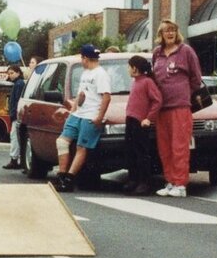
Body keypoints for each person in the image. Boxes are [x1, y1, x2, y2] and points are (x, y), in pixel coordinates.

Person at [150, 19, 202, 197]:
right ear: (161, 34)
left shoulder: (186, 51)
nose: (170, 33)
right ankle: (170, 181)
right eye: (166, 31)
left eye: (173, 30)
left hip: (180, 105)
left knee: (179, 146)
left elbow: (196, 78)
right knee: (164, 147)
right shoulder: (157, 53)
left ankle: (180, 184)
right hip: (161, 107)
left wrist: (184, 92)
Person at [51, 44, 111, 192]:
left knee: (81, 147)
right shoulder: (85, 73)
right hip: (78, 114)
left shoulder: (100, 74)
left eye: (81, 57)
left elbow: (106, 97)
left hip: (91, 115)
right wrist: (73, 110)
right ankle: (61, 176)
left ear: (85, 58)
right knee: (62, 142)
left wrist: (99, 117)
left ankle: (70, 179)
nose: (81, 60)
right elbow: (81, 94)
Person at [123, 54, 163, 194]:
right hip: (131, 120)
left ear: (135, 68)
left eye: (129, 67)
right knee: (130, 151)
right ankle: (133, 179)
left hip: (141, 122)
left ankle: (144, 182)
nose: (128, 69)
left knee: (141, 153)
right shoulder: (135, 82)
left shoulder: (147, 82)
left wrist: (149, 118)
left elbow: (157, 100)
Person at [4, 64, 26, 169]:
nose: (10, 75)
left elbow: (17, 101)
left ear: (18, 73)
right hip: (16, 114)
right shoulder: (18, 83)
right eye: (9, 73)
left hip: (16, 115)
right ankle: (17, 160)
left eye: (12, 73)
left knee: (14, 138)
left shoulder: (18, 84)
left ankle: (14, 160)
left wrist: (13, 114)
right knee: (16, 138)